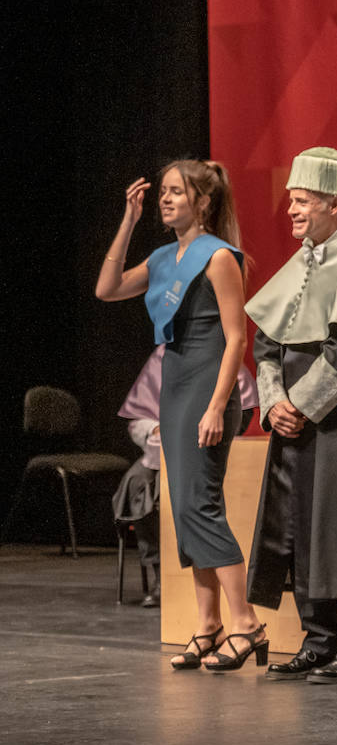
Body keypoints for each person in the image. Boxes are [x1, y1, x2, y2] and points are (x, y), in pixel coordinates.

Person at [96, 159, 266, 670]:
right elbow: (106, 289)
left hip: (207, 388)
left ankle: (246, 624)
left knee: (202, 505)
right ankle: (208, 624)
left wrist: (218, 404)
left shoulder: (218, 258)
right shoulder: (164, 256)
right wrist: (128, 220)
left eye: (176, 192)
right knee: (183, 508)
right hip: (174, 386)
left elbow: (237, 337)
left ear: (204, 202)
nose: (166, 199)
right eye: (163, 192)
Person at [244, 147, 337, 684]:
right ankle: (318, 637)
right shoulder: (301, 259)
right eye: (292, 201)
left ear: (334, 202)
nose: (292, 211)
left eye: (302, 201)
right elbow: (265, 341)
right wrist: (273, 402)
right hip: (292, 417)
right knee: (298, 522)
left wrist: (300, 406)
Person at [114, 346, 258, 608]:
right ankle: (159, 572)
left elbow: (243, 411)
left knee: (199, 499)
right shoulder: (162, 355)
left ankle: (239, 610)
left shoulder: (219, 347)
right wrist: (156, 429)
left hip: (211, 438)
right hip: (162, 447)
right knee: (138, 483)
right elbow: (137, 419)